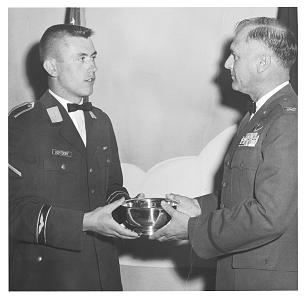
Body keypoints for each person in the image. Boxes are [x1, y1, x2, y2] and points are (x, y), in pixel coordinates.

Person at [150, 17, 297, 291]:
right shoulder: (258, 116)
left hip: (266, 283)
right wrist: (198, 207)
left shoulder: (288, 121)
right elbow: (246, 193)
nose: (228, 64)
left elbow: (270, 215)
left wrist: (193, 228)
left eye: (235, 55)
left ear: (262, 63)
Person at [9, 24, 140, 291]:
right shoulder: (22, 124)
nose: (92, 68)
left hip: (105, 274)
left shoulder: (100, 121)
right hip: (51, 277)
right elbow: (12, 212)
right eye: (81, 58)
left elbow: (112, 187)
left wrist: (125, 208)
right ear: (52, 68)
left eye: (93, 58)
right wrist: (86, 222)